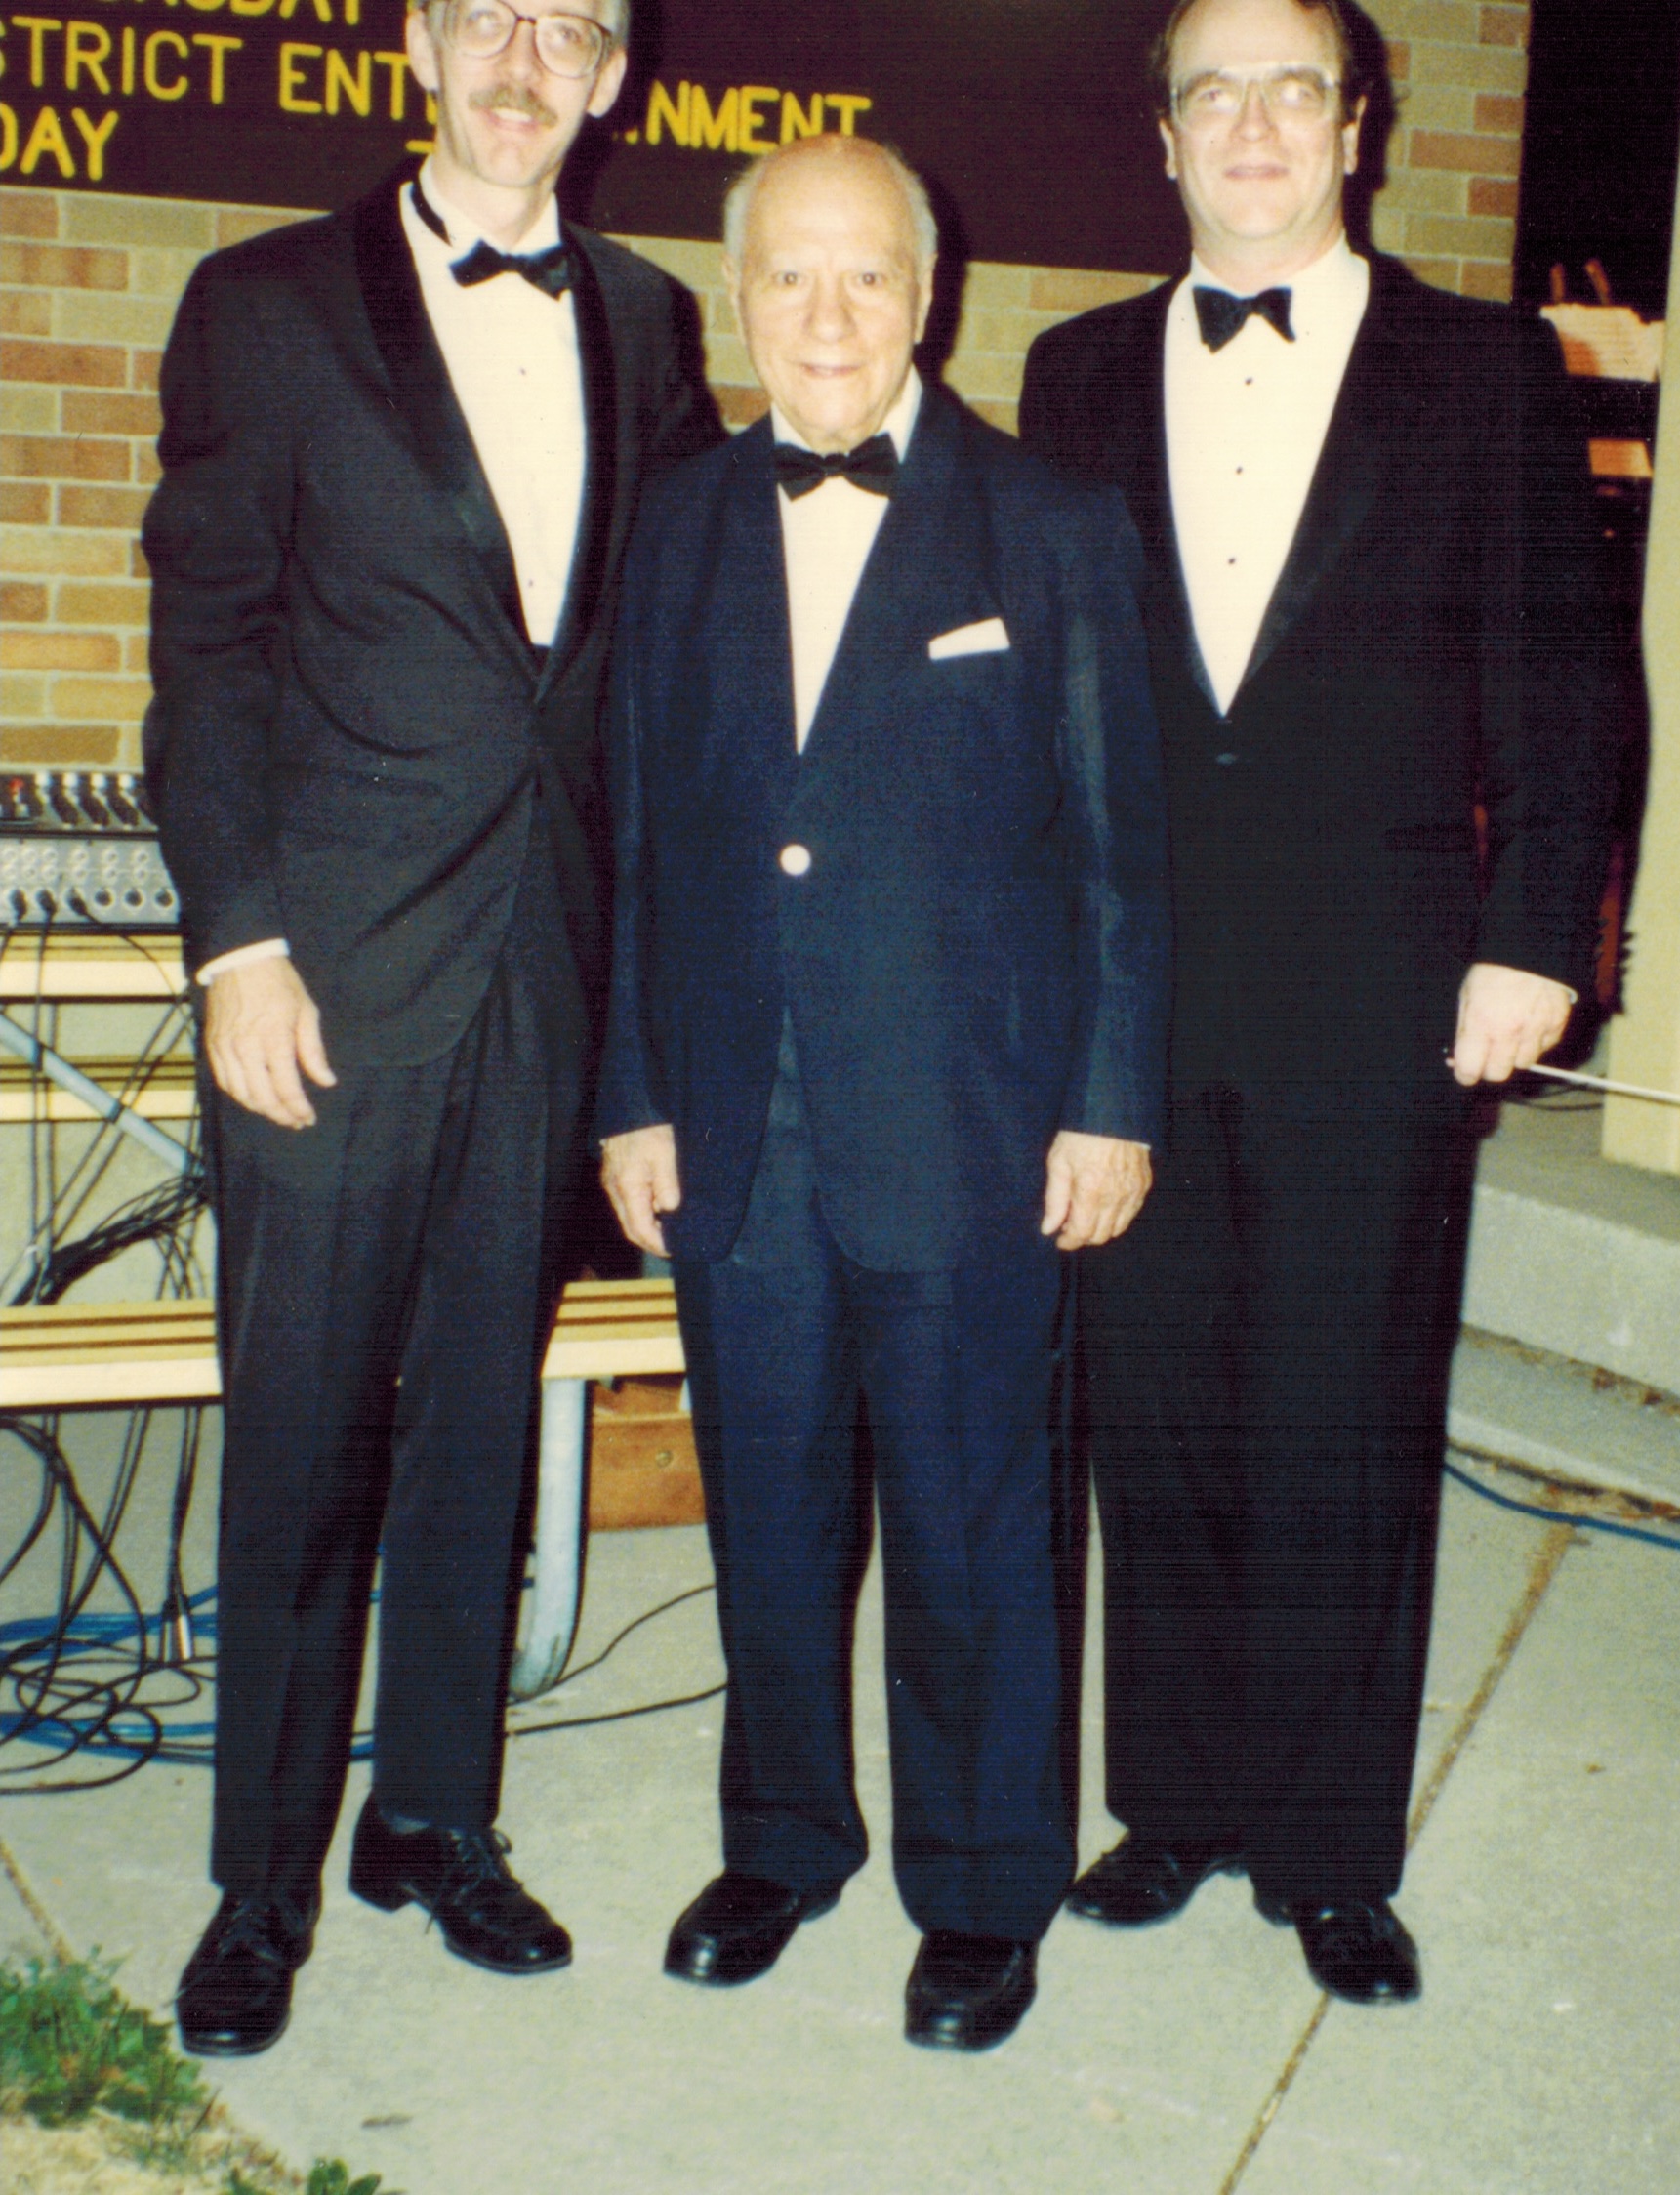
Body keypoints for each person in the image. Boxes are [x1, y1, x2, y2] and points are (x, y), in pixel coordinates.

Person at [1020, 0, 1625, 2007]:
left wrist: (1534, 932)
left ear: (1354, 127)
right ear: (1166, 139)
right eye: (1217, 92)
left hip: (1385, 981)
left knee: (1344, 1414)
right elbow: (1041, 704)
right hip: (1136, 996)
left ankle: (1328, 1839)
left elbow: (1568, 670)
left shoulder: (1485, 366)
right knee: (1160, 1399)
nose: (1256, 124)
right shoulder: (1077, 370)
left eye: (1296, 88)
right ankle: (1178, 1798)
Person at [141, 0, 719, 2058]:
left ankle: (434, 1818)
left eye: (567, 24)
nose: (519, 54)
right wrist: (239, 942)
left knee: (484, 1422)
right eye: (483, 12)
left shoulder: (651, 322)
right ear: (413, 43)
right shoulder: (264, 304)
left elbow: (651, 669)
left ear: (613, 76)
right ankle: (260, 1881)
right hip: (334, 983)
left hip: (544, 976)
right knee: (303, 1434)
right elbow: (204, 651)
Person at [596, 132, 1170, 2055]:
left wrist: (1109, 1100)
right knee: (766, 1512)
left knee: (971, 1521)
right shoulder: (673, 519)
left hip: (973, 1127)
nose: (825, 317)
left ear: (927, 296)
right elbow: (640, 841)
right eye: (787, 278)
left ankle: (985, 1880)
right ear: (740, 294)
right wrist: (628, 1092)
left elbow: (1117, 847)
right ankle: (780, 1836)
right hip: (735, 1128)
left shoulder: (1053, 521)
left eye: (865, 278)